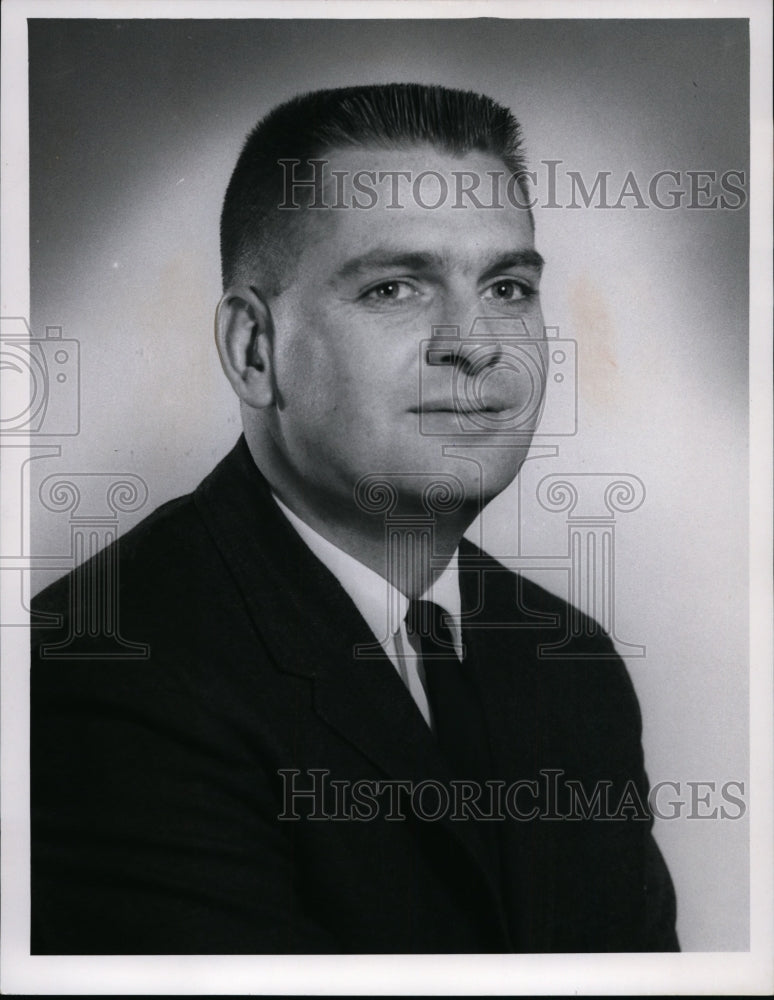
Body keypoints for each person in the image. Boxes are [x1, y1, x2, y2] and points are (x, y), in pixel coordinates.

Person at [30, 83, 678, 954]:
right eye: (394, 289)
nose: (475, 342)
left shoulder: (575, 664)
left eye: (509, 286)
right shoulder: (104, 671)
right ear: (253, 351)